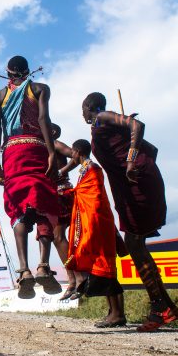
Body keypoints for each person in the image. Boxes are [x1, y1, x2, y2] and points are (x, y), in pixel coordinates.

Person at [81, 92, 178, 331]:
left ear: (88, 107)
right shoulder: (102, 126)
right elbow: (137, 138)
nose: (82, 114)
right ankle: (166, 307)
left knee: (135, 244)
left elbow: (138, 125)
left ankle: (160, 308)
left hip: (137, 182)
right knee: (136, 244)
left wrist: (130, 159)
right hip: (129, 188)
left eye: (82, 110)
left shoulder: (102, 116)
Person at [0, 56, 62, 299]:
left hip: (12, 154)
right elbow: (43, 120)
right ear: (29, 71)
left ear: (8, 73)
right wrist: (51, 153)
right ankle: (43, 266)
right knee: (44, 205)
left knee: (18, 209)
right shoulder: (40, 89)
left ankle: (24, 270)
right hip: (37, 149)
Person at [60, 139, 126, 327]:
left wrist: (73, 192)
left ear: (77, 152)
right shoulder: (85, 169)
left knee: (105, 268)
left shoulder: (92, 169)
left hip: (98, 222)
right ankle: (114, 313)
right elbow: (82, 192)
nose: (71, 156)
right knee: (103, 268)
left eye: (72, 152)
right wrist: (70, 192)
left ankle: (117, 314)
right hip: (94, 222)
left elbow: (94, 197)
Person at [50, 124, 79, 300]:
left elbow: (76, 156)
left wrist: (62, 171)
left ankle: (77, 279)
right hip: (52, 195)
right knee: (57, 238)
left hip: (62, 193)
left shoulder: (55, 144)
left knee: (58, 237)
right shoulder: (43, 148)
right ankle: (73, 279)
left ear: (52, 132)